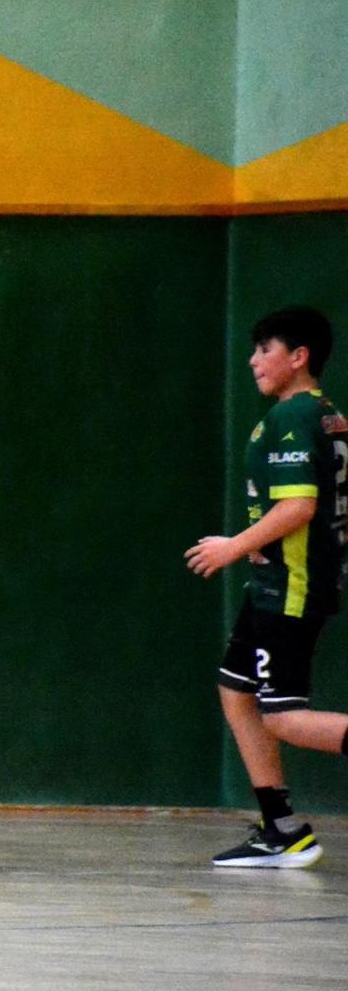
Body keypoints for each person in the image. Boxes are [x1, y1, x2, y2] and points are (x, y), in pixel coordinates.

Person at [188, 305, 348, 868]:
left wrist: (233, 545)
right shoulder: (325, 416)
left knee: (281, 713)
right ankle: (280, 827)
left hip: (290, 587)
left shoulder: (294, 417)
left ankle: (282, 830)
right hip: (275, 581)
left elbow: (299, 506)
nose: (254, 360)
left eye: (265, 349)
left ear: (299, 357)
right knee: (237, 689)